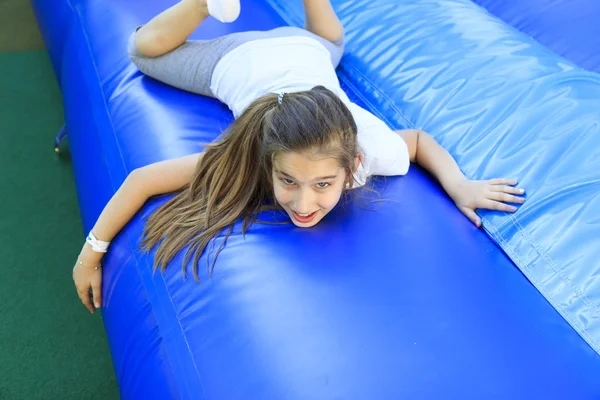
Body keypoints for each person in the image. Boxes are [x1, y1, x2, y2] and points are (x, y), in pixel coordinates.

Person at [73, 0, 526, 313]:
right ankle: (202, 4)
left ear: (351, 167)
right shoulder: (253, 150)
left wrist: (460, 185)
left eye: (323, 185)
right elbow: (142, 179)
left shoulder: (367, 150)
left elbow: (419, 141)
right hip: (238, 58)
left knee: (329, 44)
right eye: (288, 181)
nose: (304, 204)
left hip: (303, 50)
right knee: (141, 50)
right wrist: (91, 253)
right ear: (270, 162)